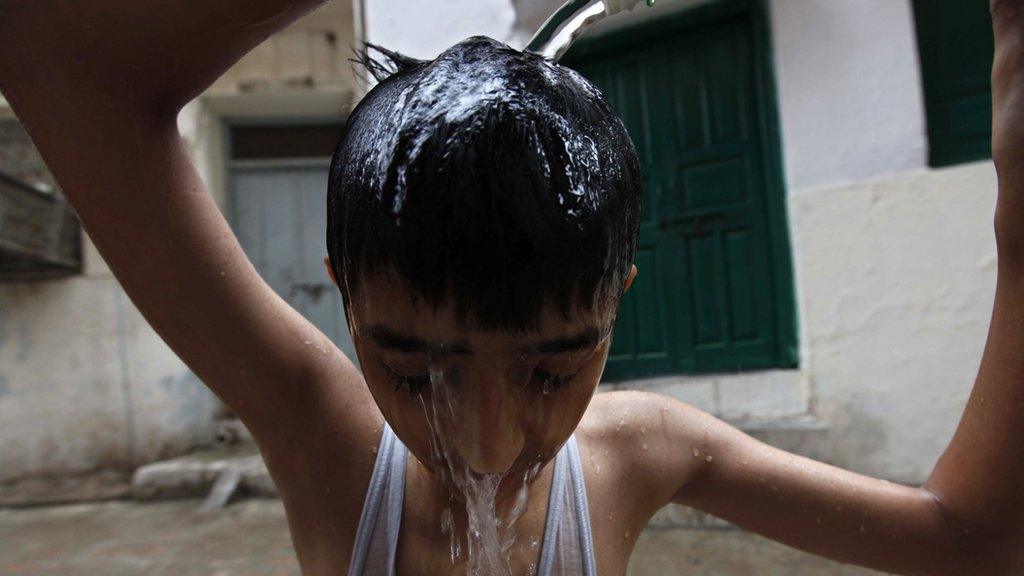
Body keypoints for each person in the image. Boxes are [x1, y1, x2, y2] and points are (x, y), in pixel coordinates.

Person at [1, 1, 1023, 574]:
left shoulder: (641, 454)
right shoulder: (322, 435)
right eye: (415, 373)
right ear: (343, 303)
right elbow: (54, 57)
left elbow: (964, 539)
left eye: (548, 369)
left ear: (616, 301)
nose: (488, 446)